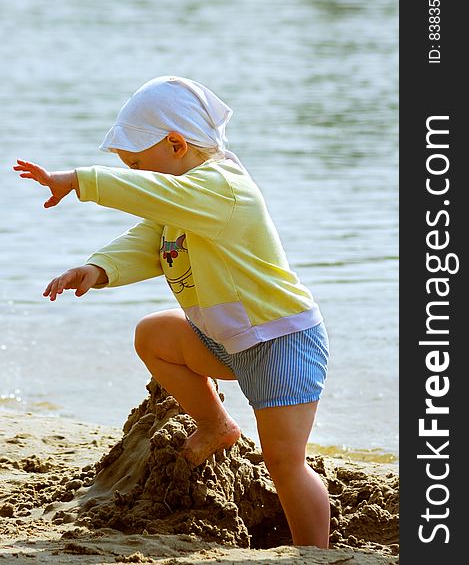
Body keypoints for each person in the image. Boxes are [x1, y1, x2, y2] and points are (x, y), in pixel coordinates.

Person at [14, 75, 330, 548]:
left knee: (284, 462)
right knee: (154, 334)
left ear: (178, 145)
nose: (138, 177)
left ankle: (314, 552)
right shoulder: (183, 201)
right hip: (226, 340)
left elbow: (152, 198)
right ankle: (215, 424)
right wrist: (98, 269)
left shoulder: (223, 190)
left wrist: (80, 181)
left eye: (140, 165)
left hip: (280, 343)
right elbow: (151, 239)